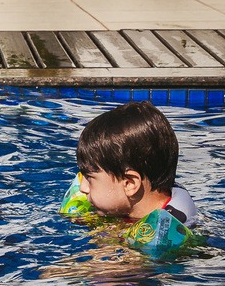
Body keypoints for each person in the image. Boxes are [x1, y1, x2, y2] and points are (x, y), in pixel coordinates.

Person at [60, 101, 198, 253]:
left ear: (129, 183)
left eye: (89, 178)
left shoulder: (163, 233)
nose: (82, 188)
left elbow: (108, 272)